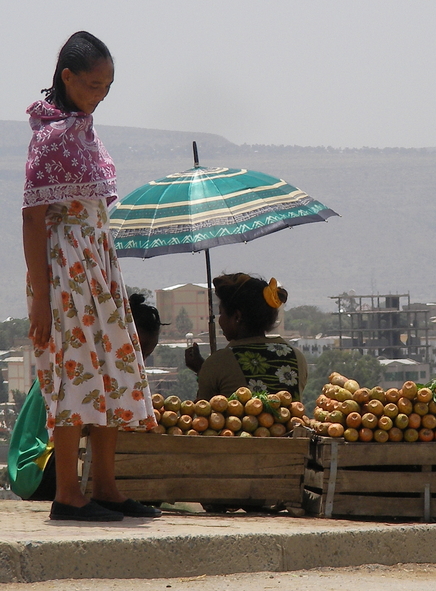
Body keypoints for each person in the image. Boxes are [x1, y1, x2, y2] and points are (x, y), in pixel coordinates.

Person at [22, 32, 158, 521]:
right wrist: (39, 296)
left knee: (110, 368)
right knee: (73, 372)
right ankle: (66, 493)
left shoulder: (83, 130)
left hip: (97, 262)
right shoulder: (52, 136)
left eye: (108, 86)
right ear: (68, 78)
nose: (100, 93)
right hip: (65, 268)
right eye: (93, 84)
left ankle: (104, 485)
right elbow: (33, 217)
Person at [7, 294, 164, 502]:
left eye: (146, 355)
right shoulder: (85, 372)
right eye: (136, 351)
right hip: (38, 469)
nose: (140, 361)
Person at [185, 273, 308, 401]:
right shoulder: (296, 357)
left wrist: (202, 370)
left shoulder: (217, 363)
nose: (220, 320)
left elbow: (203, 413)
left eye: (221, 313)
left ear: (237, 317)